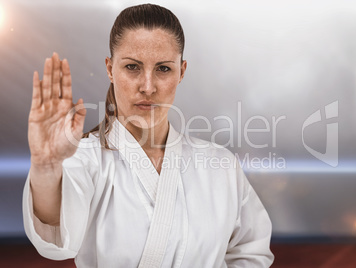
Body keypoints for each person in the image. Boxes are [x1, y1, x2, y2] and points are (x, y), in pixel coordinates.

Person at [23, 4, 274, 267]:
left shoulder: (220, 165)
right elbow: (54, 227)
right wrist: (46, 167)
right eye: (132, 67)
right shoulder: (84, 159)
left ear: (182, 71)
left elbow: (251, 252)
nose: (147, 86)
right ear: (110, 69)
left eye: (163, 69)